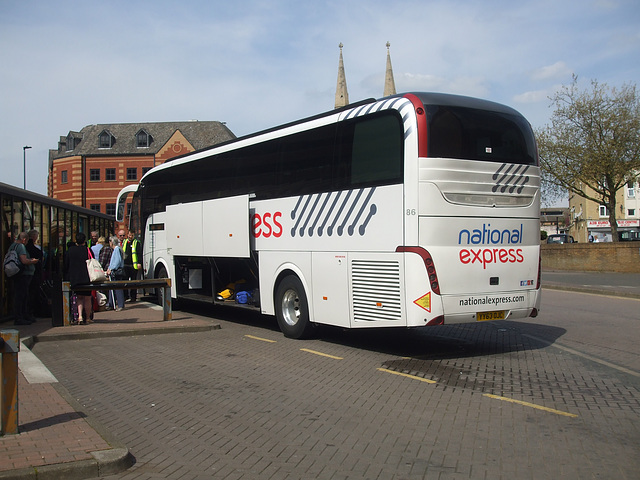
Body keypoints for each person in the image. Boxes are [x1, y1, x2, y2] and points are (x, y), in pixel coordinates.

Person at [10, 232, 39, 325]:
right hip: (23, 274)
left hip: (16, 274)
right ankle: (20, 317)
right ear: (24, 240)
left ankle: (21, 315)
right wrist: (32, 261)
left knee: (20, 295)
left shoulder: (12, 246)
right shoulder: (21, 246)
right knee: (22, 296)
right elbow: (24, 260)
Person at [64, 232, 93, 324]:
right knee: (87, 298)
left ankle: (79, 316)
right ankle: (87, 318)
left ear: (76, 240)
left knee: (79, 297)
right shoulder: (87, 250)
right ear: (84, 241)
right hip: (86, 277)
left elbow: (66, 265)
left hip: (75, 278)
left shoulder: (70, 250)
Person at [26, 229, 44, 319]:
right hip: (31, 272)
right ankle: (30, 312)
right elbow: (39, 254)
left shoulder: (27, 246)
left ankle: (30, 312)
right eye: (36, 236)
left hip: (31, 272)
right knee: (32, 293)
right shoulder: (28, 246)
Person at [106, 235, 125, 311]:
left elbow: (117, 261)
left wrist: (111, 268)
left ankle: (120, 305)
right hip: (114, 271)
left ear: (112, 242)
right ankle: (111, 303)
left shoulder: (116, 250)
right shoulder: (117, 249)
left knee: (117, 288)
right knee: (112, 287)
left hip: (116, 271)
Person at [122, 229, 142, 302]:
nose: (130, 236)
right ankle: (125, 296)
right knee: (125, 281)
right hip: (125, 264)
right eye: (129, 235)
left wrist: (139, 263)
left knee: (133, 282)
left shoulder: (136, 242)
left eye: (132, 235)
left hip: (133, 265)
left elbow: (139, 253)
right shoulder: (124, 242)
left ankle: (133, 297)